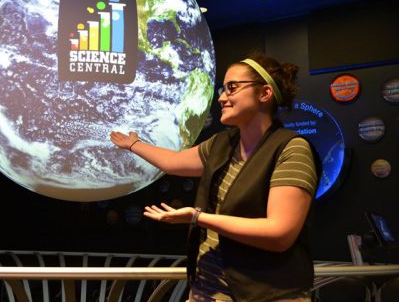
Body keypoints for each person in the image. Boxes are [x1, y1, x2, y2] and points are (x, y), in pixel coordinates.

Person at [110, 53, 321, 302]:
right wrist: (133, 144)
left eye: (232, 88)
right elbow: (173, 162)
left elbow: (279, 234)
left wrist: (198, 218)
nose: (222, 98)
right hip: (208, 289)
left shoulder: (291, 149)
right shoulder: (223, 143)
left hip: (265, 293)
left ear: (264, 93)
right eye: (223, 89)